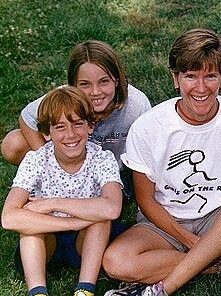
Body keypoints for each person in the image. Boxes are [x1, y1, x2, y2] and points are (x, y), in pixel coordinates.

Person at [101, 28, 221, 296]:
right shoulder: (148, 127)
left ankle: (160, 290)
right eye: (191, 76)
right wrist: (189, 241)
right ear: (175, 78)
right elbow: (146, 201)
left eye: (211, 76)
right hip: (165, 221)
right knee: (116, 262)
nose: (201, 87)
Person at [1, 86, 123, 296]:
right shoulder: (36, 159)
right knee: (28, 225)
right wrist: (74, 222)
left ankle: (84, 291)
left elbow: (112, 208)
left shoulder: (102, 159)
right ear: (47, 133)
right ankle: (38, 294)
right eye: (60, 127)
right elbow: (9, 217)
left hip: (85, 243)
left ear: (90, 126)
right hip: (45, 243)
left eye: (78, 124)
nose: (70, 135)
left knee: (101, 218)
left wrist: (52, 203)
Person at [0, 40, 151, 202]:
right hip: (69, 161)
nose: (95, 92)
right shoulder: (65, 99)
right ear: (73, 85)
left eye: (104, 81)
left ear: (117, 80)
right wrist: (49, 163)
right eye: (85, 84)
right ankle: (45, 179)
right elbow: (27, 117)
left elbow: (151, 149)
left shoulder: (137, 104)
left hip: (111, 171)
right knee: (12, 143)